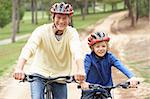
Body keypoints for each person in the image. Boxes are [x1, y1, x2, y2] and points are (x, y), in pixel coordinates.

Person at [13, 2, 85, 99]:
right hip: (39, 73)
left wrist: (80, 69)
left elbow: (77, 50)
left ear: (69, 19)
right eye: (58, 17)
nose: (61, 21)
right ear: (53, 17)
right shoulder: (41, 30)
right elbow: (29, 48)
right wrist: (19, 68)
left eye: (65, 18)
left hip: (60, 76)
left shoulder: (72, 33)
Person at [80, 31, 139, 99]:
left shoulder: (110, 57)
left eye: (103, 46)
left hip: (106, 90)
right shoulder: (89, 58)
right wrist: (82, 82)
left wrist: (132, 77)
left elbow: (121, 66)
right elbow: (84, 70)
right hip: (89, 89)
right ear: (92, 48)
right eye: (97, 47)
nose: (101, 49)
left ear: (107, 46)